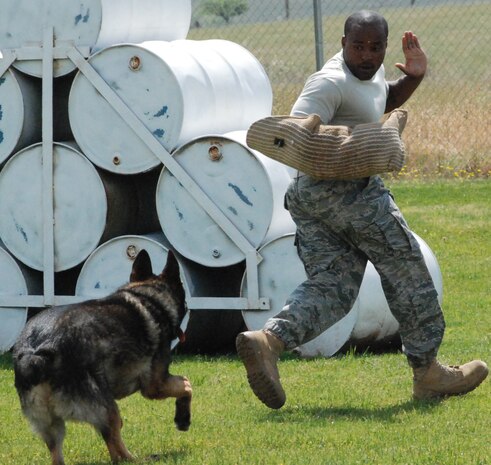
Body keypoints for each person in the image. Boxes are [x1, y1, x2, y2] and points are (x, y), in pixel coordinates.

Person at [236, 10, 488, 409]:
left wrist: (414, 77)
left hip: (308, 197)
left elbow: (378, 98)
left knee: (334, 287)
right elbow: (298, 128)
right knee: (406, 267)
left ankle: (269, 341)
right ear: (342, 44)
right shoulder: (329, 81)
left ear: (384, 47)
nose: (367, 55)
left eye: (375, 47)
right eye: (358, 46)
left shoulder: (367, 74)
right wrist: (351, 146)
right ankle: (428, 372)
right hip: (347, 190)